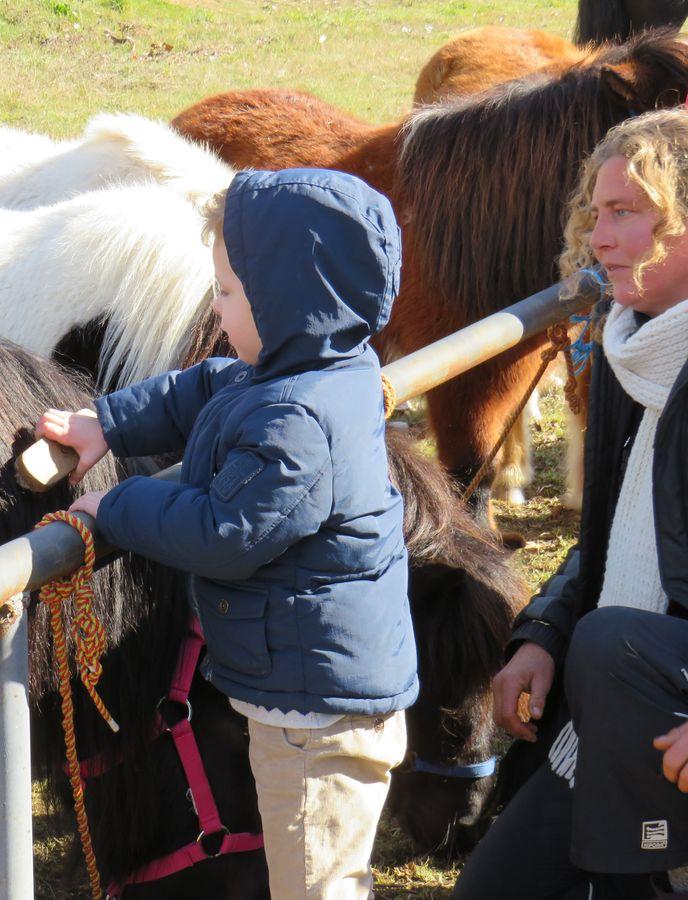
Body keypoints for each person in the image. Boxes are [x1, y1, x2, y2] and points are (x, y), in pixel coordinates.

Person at [36, 168, 417, 899]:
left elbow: (225, 531)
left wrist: (113, 509)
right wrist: (106, 423)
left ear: (288, 300)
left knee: (318, 883)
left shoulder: (298, 421)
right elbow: (200, 387)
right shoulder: (306, 367)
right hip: (309, 685)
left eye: (229, 291)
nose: (215, 304)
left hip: (320, 714)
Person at [455, 109, 688, 899]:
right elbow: (616, 533)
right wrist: (546, 635)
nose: (599, 237)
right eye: (596, 213)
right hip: (606, 712)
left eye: (627, 213)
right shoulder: (631, 345)